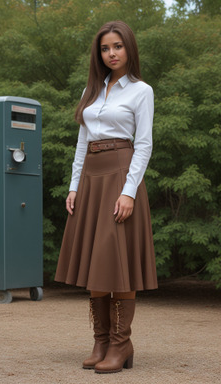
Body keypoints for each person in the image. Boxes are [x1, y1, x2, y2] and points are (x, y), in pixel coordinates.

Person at [55, 20, 158, 374]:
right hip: (91, 180)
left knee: (117, 261)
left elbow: (143, 144)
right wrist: (73, 186)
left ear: (129, 48)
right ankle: (100, 341)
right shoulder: (93, 90)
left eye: (117, 46)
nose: (111, 53)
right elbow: (82, 144)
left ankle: (120, 344)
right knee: (96, 263)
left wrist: (128, 192)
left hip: (120, 175)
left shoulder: (141, 91)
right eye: (104, 48)